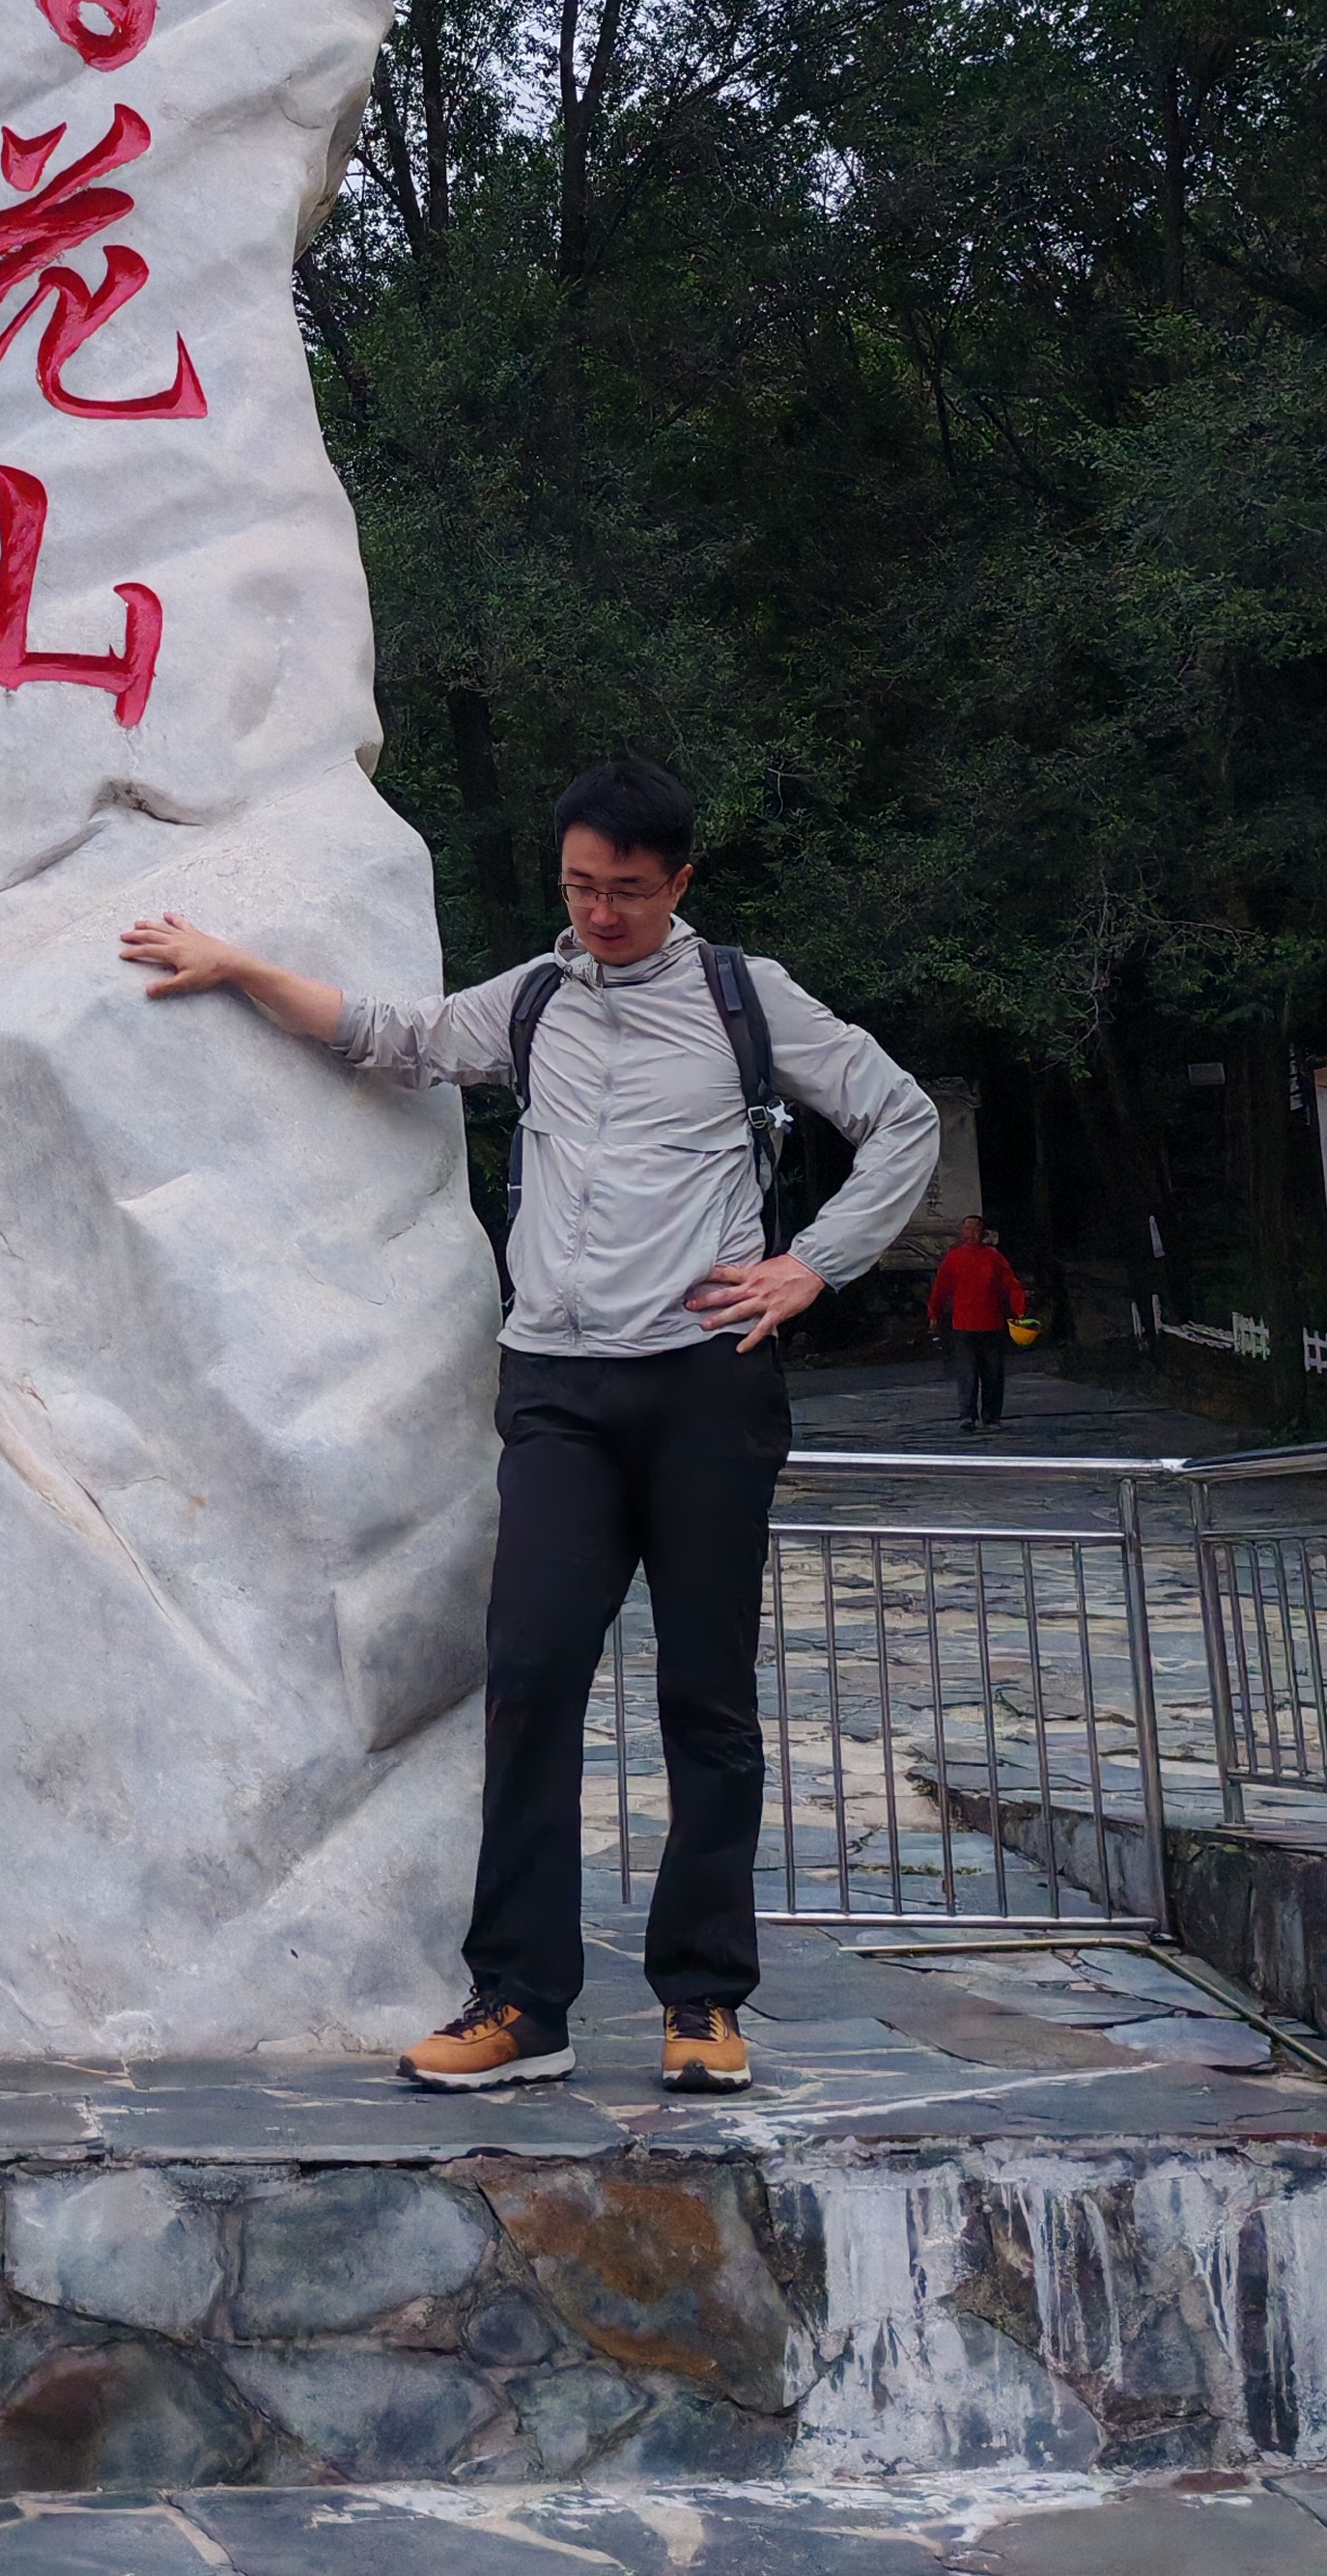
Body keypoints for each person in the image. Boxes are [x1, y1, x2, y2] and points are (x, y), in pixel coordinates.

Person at [122, 756, 939, 2097]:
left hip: (706, 1380)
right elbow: (393, 1036)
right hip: (556, 1387)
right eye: (579, 886)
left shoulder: (747, 999)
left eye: (626, 891)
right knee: (534, 1678)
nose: (601, 913)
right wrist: (235, 965)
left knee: (705, 1697)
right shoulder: (540, 998)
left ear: (680, 881)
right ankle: (518, 2001)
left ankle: (703, 1999)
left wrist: (814, 1267)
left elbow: (898, 1118)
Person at [930, 1216, 1029, 1434]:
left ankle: (991, 1416)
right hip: (963, 1326)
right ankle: (967, 1415)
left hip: (992, 1325)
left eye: (977, 1229)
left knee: (993, 1374)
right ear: (962, 1233)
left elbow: (1011, 1285)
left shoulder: (994, 1257)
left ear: (983, 1234)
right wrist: (934, 1314)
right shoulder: (953, 1258)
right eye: (968, 1228)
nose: (972, 1233)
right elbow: (941, 1288)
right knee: (967, 1373)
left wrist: (1020, 1309)